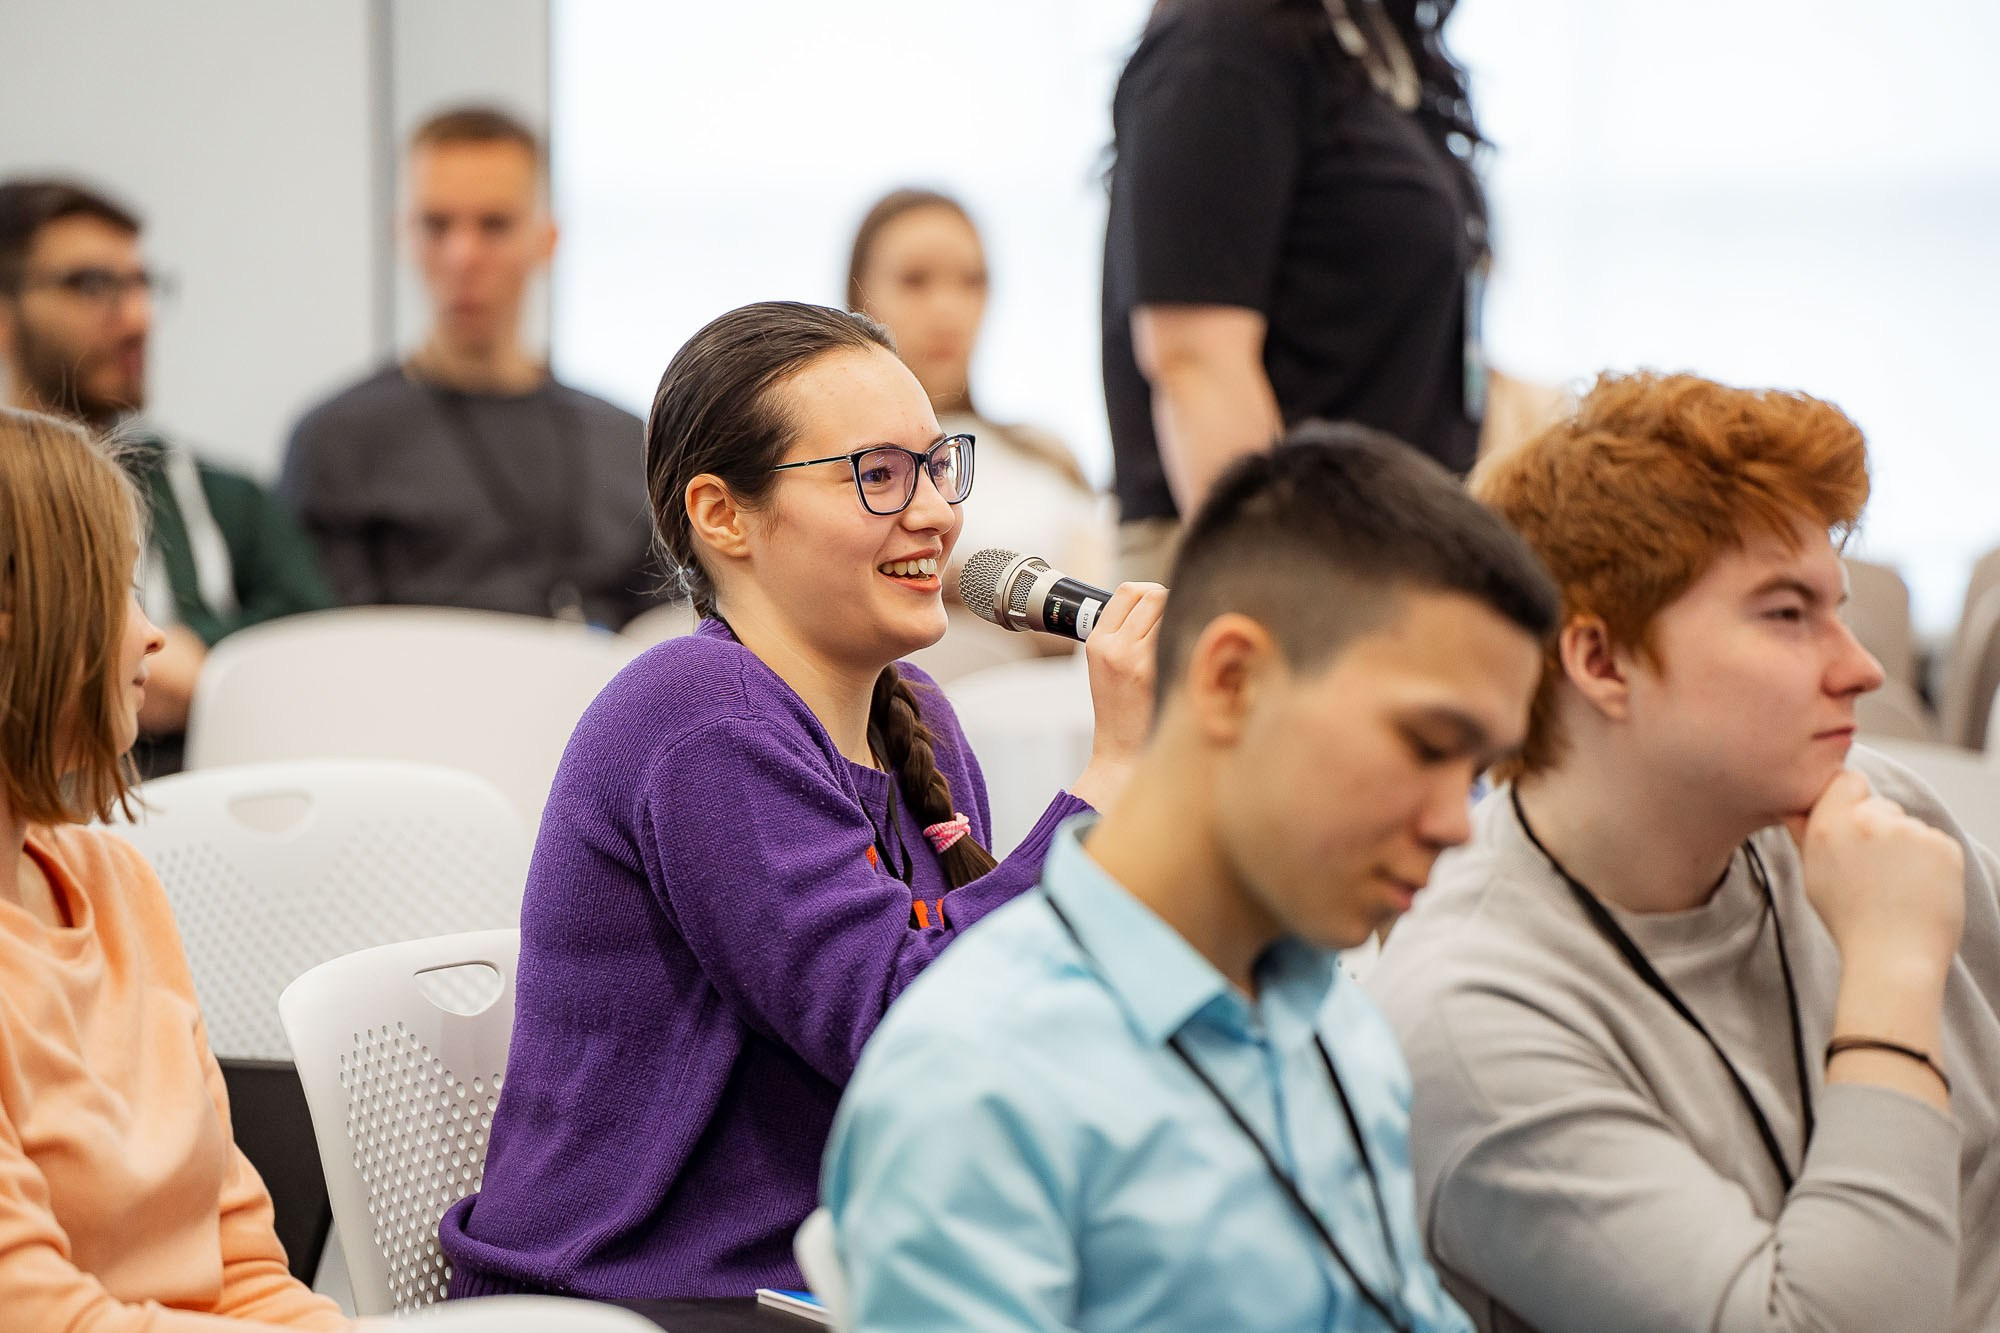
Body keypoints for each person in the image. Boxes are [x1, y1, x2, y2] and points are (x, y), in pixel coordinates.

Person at [437, 301, 1163, 1299]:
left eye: (937, 464)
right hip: (643, 1295)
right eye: (876, 475)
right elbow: (909, 1026)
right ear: (722, 514)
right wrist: (1113, 775)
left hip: (828, 1271)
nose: (936, 513)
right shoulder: (700, 719)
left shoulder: (920, 723)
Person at [824, 425, 1559, 1331]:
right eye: (1426, 745)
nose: (1456, 821)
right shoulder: (980, 1080)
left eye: (1477, 767)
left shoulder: (1339, 1029)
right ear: (1232, 680)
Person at [1368, 371, 2000, 1332]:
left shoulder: (1874, 810)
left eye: (1838, 607)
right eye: (1788, 614)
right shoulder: (1464, 1016)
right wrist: (1890, 972)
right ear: (1601, 660)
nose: (1862, 667)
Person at [0, 407, 350, 1330]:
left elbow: (241, 1260)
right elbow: (37, 1315)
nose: (155, 635)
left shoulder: (119, 885)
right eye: (119, 589)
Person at [1102, 0, 1489, 583]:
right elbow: (1195, 363)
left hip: (1387, 547)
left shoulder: (1365, 41)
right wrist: (1277, 588)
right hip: (1274, 559)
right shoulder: (1222, 44)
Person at [0, 178, 332, 776]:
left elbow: (317, 644)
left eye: (140, 284)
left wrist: (201, 654)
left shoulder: (226, 498)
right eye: (92, 285)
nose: (137, 318)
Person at [279, 105, 659, 628]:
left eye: (494, 225)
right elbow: (327, 652)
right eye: (436, 226)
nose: (462, 255)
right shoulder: (337, 442)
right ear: (402, 236)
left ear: (546, 240)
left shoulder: (625, 441)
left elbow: (667, 631)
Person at [847, 187, 1109, 673]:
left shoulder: (1045, 453)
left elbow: (1104, 604)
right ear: (859, 292)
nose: (948, 308)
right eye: (916, 281)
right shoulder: (840, 463)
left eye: (972, 281)